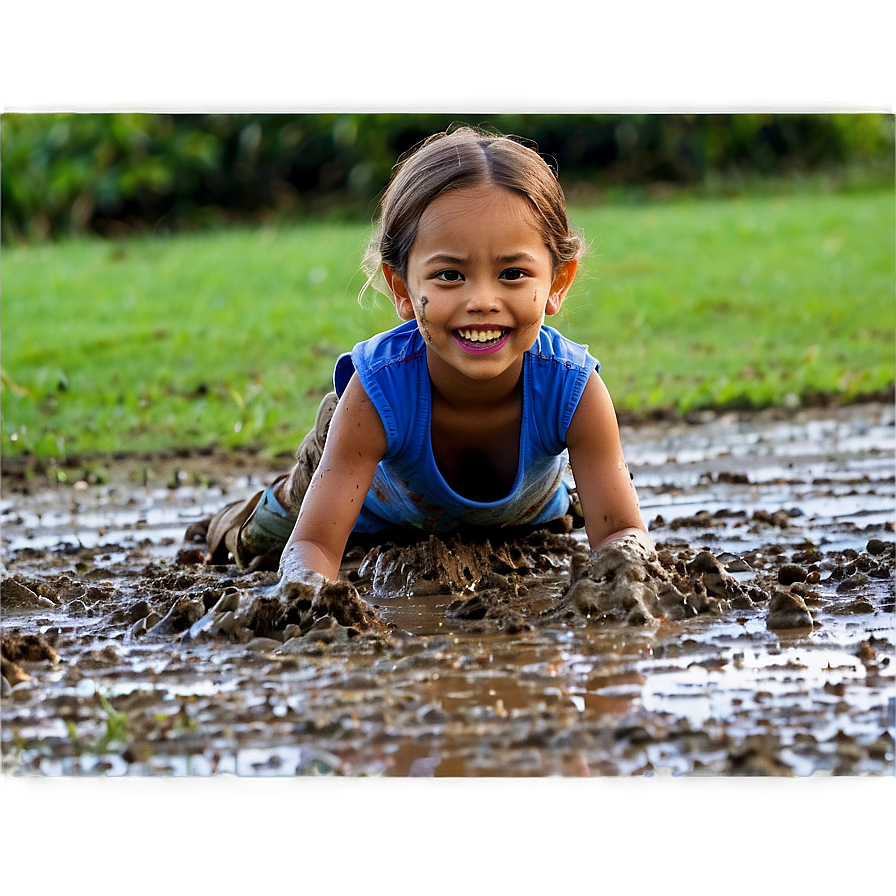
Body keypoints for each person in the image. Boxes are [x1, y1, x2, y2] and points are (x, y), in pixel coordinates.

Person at [200, 126, 653, 592]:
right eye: (449, 275)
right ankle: (232, 518)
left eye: (513, 274)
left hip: (521, 514)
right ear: (402, 288)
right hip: (368, 503)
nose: (482, 300)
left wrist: (629, 579)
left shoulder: (573, 390)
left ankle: (557, 502)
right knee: (261, 542)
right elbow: (312, 546)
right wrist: (306, 592)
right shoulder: (377, 394)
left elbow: (621, 532)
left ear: (558, 282)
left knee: (553, 521)